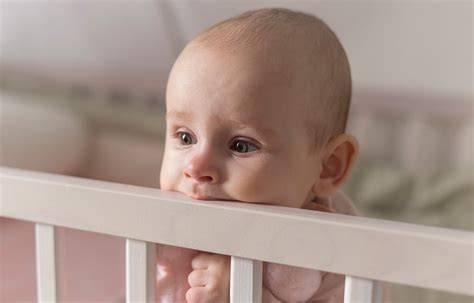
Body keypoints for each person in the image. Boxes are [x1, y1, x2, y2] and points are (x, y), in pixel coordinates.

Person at [157, 7, 365, 303]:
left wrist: (242, 293)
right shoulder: (164, 214)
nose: (196, 166)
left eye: (240, 145)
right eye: (185, 137)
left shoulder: (321, 244)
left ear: (327, 168)